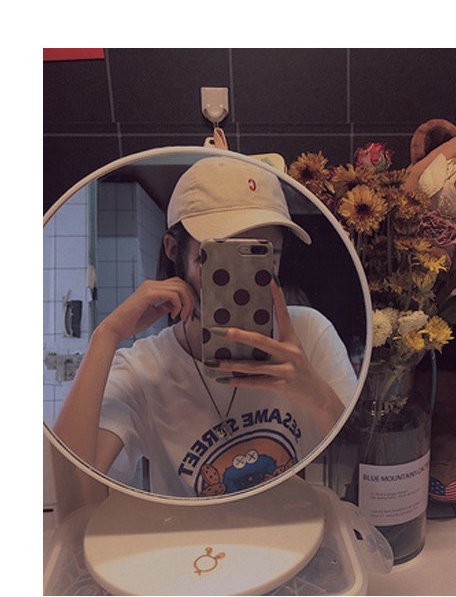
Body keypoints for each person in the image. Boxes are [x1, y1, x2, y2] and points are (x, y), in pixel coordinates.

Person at [54, 156, 357, 497]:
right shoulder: (143, 370)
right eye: (219, 260)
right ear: (174, 250)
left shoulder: (310, 336)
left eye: (262, 258)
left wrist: (314, 393)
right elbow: (75, 500)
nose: (241, 282)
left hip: (297, 529)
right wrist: (106, 335)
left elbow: (358, 470)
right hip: (190, 534)